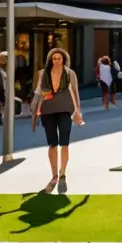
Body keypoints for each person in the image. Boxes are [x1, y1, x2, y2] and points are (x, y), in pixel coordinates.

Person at [33, 47, 83, 194]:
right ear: (50, 60)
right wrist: (36, 107)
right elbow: (38, 91)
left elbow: (74, 91)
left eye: (58, 58)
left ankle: (63, 173)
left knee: (65, 143)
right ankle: (54, 174)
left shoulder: (69, 73)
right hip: (47, 111)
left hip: (65, 110)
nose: (56, 60)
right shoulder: (43, 74)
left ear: (63, 59)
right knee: (52, 144)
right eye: (53, 58)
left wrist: (77, 110)